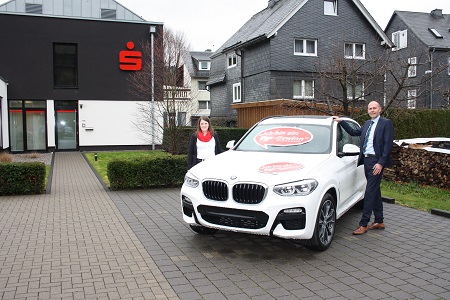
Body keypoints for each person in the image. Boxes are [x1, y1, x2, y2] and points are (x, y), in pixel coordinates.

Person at [333, 101, 394, 235]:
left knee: (370, 192)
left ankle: (364, 224)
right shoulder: (367, 124)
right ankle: (379, 221)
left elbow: (388, 145)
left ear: (380, 109)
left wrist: (380, 163)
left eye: (374, 108)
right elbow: (354, 132)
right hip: (366, 160)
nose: (372, 110)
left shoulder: (386, 123)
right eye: (370, 108)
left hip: (376, 162)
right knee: (375, 190)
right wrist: (341, 121)